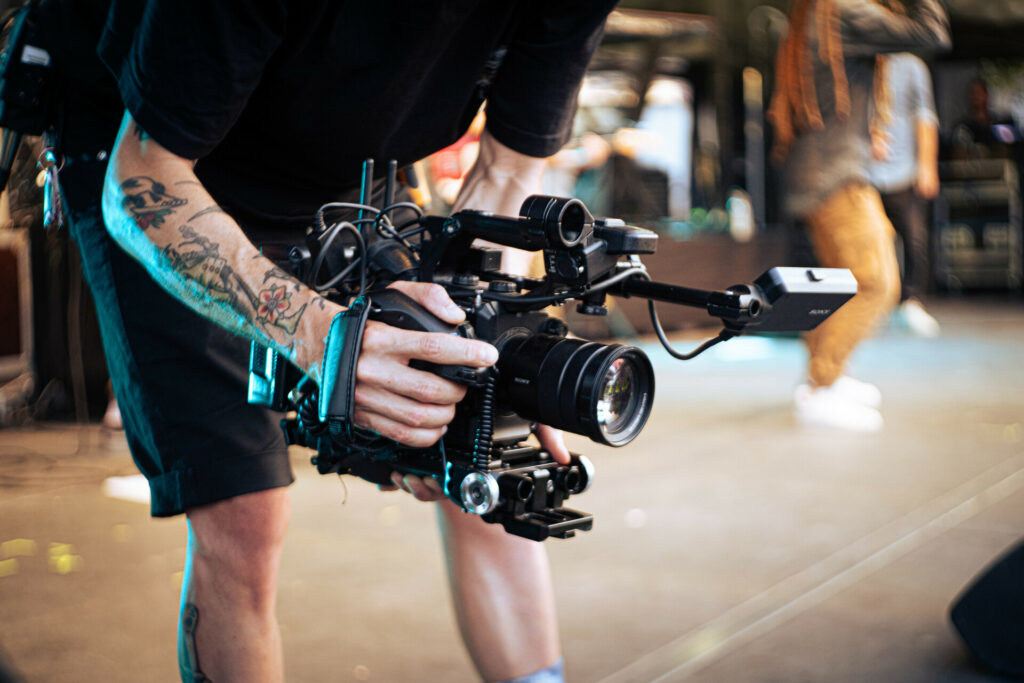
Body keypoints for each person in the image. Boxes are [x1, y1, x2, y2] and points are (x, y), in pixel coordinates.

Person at [58, 2, 618, 681]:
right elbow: (139, 178)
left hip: (350, 174)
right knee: (243, 510)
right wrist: (321, 336)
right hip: (169, 170)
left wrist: (500, 364)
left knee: (482, 447)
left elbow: (505, 174)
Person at [768, 0, 950, 433]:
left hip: (826, 172)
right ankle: (821, 386)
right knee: (876, 282)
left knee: (846, 283)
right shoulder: (844, 10)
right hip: (836, 178)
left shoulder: (821, 13)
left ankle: (828, 375)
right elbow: (931, 32)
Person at [869, 52, 941, 337]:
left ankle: (911, 301)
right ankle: (875, 303)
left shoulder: (911, 65)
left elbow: (925, 116)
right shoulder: (859, 60)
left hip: (904, 168)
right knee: (871, 239)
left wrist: (927, 166)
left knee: (914, 239)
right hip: (865, 171)